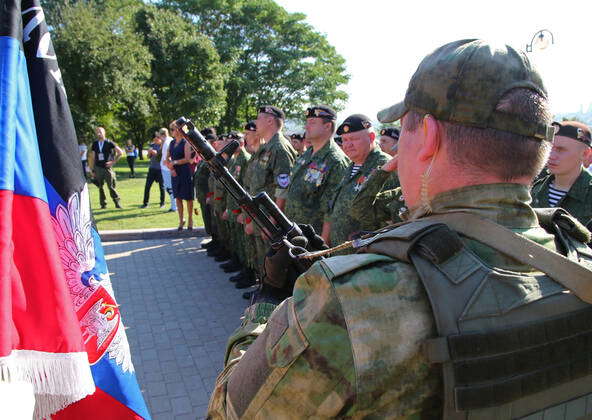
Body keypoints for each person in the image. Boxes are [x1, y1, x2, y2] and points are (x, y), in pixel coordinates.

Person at [207, 39, 592, 419]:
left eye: (404, 130)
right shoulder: (579, 259)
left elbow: (228, 411)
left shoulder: (356, 299)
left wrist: (270, 304)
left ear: (428, 136)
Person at [284, 106, 350, 242]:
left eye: (312, 122)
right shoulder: (307, 154)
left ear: (327, 126)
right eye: (307, 122)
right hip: (293, 230)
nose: (306, 127)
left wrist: (322, 246)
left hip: (313, 238)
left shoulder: (336, 161)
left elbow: (331, 210)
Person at [326, 114, 392, 249]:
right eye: (344, 140)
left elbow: (391, 217)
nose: (348, 144)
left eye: (354, 139)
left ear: (371, 137)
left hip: (366, 255)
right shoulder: (351, 166)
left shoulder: (386, 167)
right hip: (341, 253)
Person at [531, 120, 592, 231]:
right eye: (549, 148)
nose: (551, 155)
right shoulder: (536, 188)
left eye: (560, 150)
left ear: (585, 154)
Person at [167, 121, 194, 230]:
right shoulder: (172, 143)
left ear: (179, 130)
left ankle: (190, 219)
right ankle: (181, 219)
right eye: (171, 129)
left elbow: (187, 159)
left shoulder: (186, 142)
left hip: (184, 172)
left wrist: (175, 163)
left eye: (173, 129)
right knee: (177, 197)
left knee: (188, 197)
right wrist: (170, 166)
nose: (171, 132)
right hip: (175, 173)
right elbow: (167, 157)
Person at [89, 127, 122, 209]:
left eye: (100, 131)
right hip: (98, 168)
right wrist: (92, 170)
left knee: (111, 186)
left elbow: (120, 152)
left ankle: (117, 202)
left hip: (107, 168)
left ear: (104, 132)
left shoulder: (109, 142)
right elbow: (92, 157)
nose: (98, 133)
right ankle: (103, 204)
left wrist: (113, 162)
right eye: (97, 132)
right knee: (100, 187)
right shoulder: (95, 144)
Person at [141, 135, 164, 208]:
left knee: (162, 187)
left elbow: (162, 157)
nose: (156, 139)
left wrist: (156, 153)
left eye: (158, 138)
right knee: (147, 186)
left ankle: (162, 203)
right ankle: (145, 203)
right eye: (155, 138)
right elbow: (148, 156)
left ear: (160, 139)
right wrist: (149, 153)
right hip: (152, 169)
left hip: (160, 169)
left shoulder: (163, 146)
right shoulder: (152, 145)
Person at [159, 127, 177, 212]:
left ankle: (174, 206)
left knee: (169, 187)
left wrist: (168, 165)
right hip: (167, 167)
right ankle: (174, 205)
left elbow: (168, 156)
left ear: (162, 135)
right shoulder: (170, 140)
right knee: (169, 187)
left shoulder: (167, 142)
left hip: (167, 168)